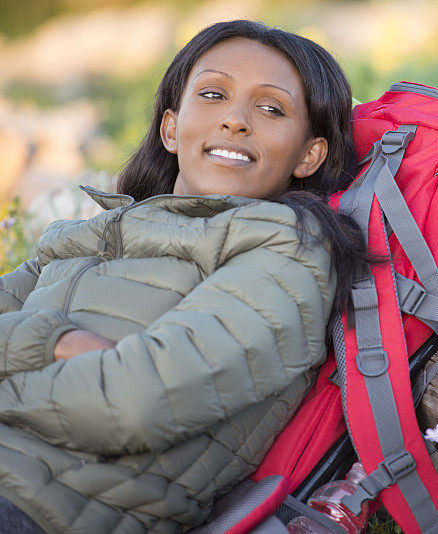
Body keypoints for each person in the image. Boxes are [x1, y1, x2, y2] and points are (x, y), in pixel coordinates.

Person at [0, 20, 370, 534]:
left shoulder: (289, 253)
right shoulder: (95, 230)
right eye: (214, 94)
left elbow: (136, 401)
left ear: (309, 155)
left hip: (45, 504)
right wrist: (56, 343)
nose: (235, 120)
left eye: (271, 108)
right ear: (171, 128)